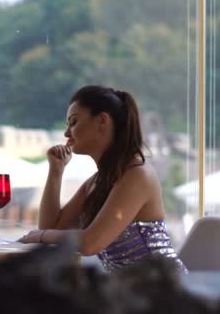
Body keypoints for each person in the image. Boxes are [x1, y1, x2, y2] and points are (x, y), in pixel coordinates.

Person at [18, 85, 187, 273]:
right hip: (128, 293)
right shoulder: (96, 182)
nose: (66, 134)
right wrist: (56, 171)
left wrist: (41, 236)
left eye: (73, 122)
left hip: (163, 290)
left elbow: (91, 243)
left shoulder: (138, 174)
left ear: (102, 121)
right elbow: (51, 227)